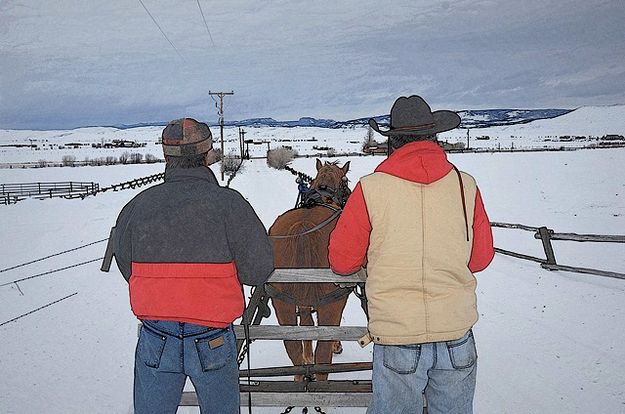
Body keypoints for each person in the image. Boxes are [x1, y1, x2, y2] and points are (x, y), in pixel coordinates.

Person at [328, 96, 494, 414]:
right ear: (434, 136)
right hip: (456, 333)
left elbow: (342, 261)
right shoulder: (465, 185)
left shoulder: (370, 189)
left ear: (393, 142)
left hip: (397, 335)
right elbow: (480, 258)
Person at [103, 118, 274, 414]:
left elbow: (128, 267)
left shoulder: (137, 206)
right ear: (207, 155)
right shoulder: (230, 204)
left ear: (166, 157)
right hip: (213, 340)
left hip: (156, 338)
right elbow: (258, 270)